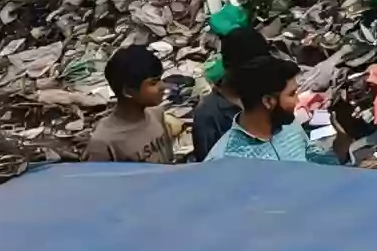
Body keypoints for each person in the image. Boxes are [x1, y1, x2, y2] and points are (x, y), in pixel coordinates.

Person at [205, 54, 357, 165]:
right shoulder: (225, 159)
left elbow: (315, 165)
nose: (297, 101)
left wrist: (341, 142)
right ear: (268, 101)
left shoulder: (289, 126)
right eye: (291, 94)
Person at [188, 27, 271, 164]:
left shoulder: (263, 96)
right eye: (252, 69)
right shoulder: (210, 116)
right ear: (228, 67)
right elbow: (209, 170)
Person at [82, 46, 173, 163]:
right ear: (128, 92)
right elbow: (99, 179)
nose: (163, 87)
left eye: (160, 79)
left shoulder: (156, 114)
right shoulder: (104, 141)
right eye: (153, 83)